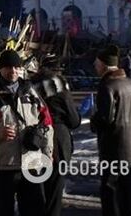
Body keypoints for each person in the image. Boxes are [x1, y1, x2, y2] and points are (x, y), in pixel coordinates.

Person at [0, 49, 54, 216]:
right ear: (0, 69)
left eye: (16, 67)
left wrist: (48, 152)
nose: (13, 71)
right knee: (3, 210)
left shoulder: (31, 93)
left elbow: (47, 123)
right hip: (3, 168)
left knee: (35, 210)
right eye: (8, 67)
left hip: (31, 165)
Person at [91, 45, 131, 216]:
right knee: (127, 187)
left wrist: (93, 120)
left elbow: (105, 118)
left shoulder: (107, 86)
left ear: (104, 65)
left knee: (109, 188)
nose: (95, 67)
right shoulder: (130, 84)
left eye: (97, 64)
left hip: (113, 147)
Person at [31, 59, 81, 216]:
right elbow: (74, 120)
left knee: (35, 187)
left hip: (33, 139)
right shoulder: (58, 84)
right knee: (54, 190)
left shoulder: (29, 86)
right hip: (57, 139)